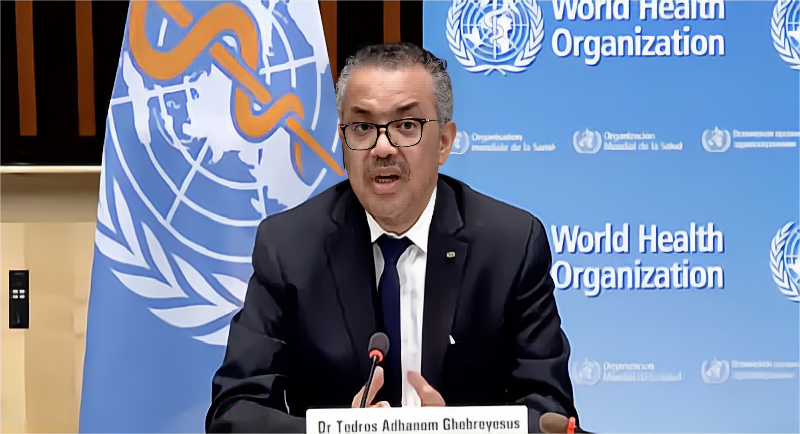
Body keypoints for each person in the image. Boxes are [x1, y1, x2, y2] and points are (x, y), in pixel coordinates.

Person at [205, 42, 577, 434]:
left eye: (406, 125)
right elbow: (234, 412)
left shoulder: (510, 245)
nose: (382, 147)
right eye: (363, 127)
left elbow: (550, 412)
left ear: (444, 142)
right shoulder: (289, 247)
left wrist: (460, 428)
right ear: (343, 142)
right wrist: (337, 430)